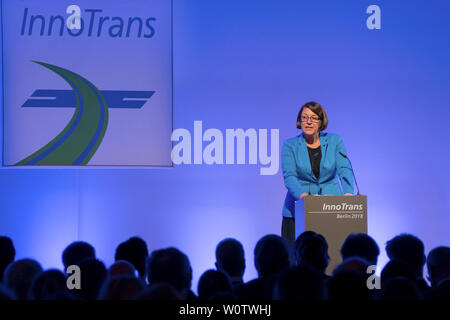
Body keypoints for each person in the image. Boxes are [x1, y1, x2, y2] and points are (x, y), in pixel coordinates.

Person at [281, 101, 354, 243]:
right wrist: (305, 200)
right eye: (304, 117)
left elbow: (344, 169)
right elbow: (290, 177)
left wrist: (348, 195)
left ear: (321, 122)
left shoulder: (334, 141)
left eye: (313, 118)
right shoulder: (290, 145)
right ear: (299, 121)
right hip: (297, 210)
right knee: (294, 259)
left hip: (331, 210)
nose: (308, 122)